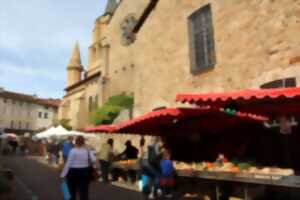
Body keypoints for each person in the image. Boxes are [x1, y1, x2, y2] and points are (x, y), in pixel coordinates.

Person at [61, 136, 96, 200]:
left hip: (73, 172)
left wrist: (63, 174)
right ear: (83, 143)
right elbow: (93, 160)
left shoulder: (72, 151)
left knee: (72, 191)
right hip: (85, 171)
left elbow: (68, 164)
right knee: (84, 192)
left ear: (76, 143)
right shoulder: (87, 151)